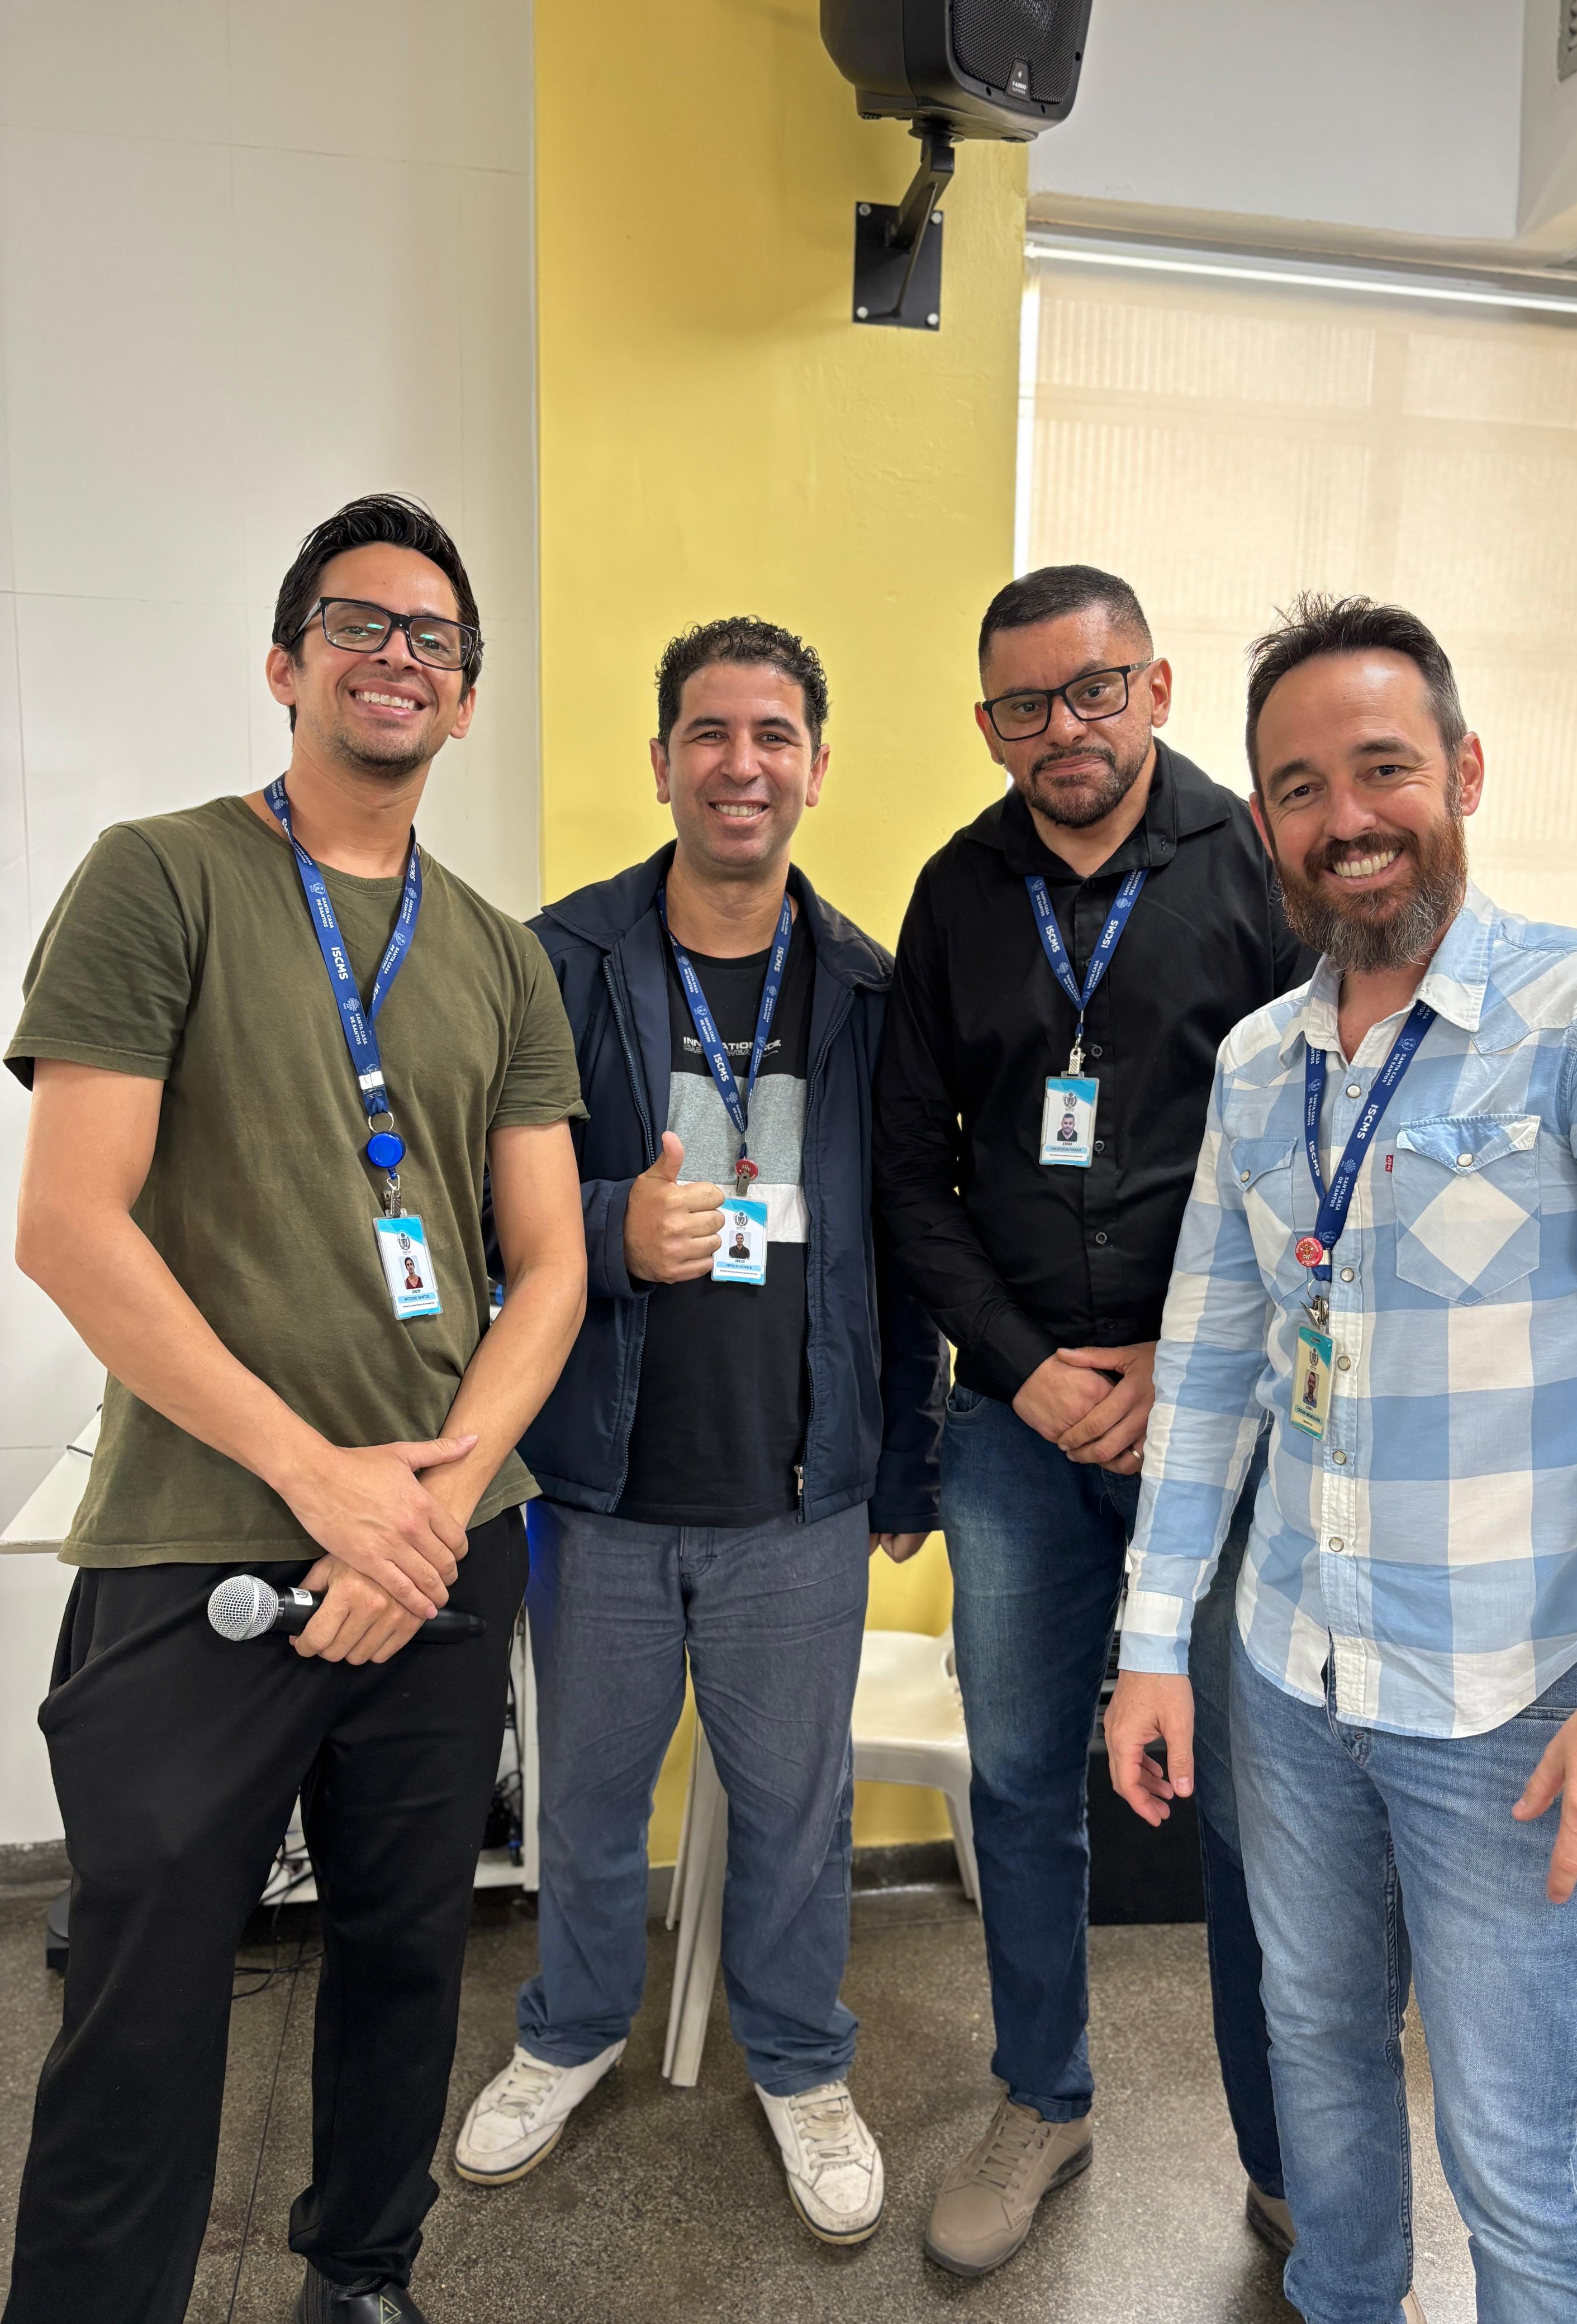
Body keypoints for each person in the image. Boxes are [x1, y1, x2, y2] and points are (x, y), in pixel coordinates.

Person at [1107, 594, 1577, 2324]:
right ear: (1263, 823)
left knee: (1519, 2150)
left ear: (1464, 771)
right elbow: (1212, 1370)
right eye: (1300, 788)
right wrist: (1154, 1644)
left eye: (1384, 768)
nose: (1348, 817)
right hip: (1290, 1677)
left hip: (1513, 1705)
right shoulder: (1261, 1066)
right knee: (1314, 2052)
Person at [2, 494, 588, 2324]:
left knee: (408, 1956)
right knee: (146, 1992)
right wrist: (322, 1482)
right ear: (284, 663)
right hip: (206, 1544)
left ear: (468, 699)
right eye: (358, 623)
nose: (399, 656)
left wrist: (430, 1508)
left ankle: (363, 2276)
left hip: (439, 1553)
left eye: (437, 639)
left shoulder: (498, 953)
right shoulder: (160, 877)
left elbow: (547, 1268)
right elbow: (67, 1223)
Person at [454, 617, 945, 2243]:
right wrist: (612, 1229)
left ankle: (802, 2065)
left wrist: (907, 1453)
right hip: (594, 1486)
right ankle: (569, 2035)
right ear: (661, 761)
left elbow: (906, 1239)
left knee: (796, 1818)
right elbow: (477, 1200)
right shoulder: (559, 959)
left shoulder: (867, 987)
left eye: (775, 735)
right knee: (590, 1805)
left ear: (817, 766)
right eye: (712, 734)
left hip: (798, 1499)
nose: (744, 765)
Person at [875, 564, 1313, 2277]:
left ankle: (1288, 2151)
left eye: (1095, 688)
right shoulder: (954, 893)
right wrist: (1025, 1366)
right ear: (988, 722)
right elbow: (910, 1176)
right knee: (1018, 1773)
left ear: (1158, 686)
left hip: (1218, 1415)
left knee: (1252, 1796)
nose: (1064, 727)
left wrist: (1163, 1355)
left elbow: (1319, 1145)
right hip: (1014, 1427)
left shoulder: (1255, 869)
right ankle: (1044, 2098)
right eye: (1025, 704)